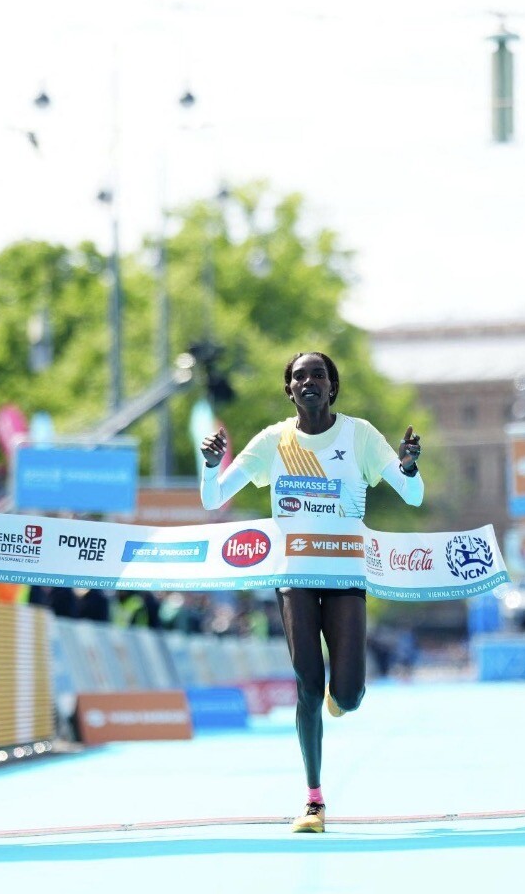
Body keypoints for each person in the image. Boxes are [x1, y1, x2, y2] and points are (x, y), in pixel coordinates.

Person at [199, 351, 423, 833]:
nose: (309, 382)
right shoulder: (273, 441)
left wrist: (408, 469)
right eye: (299, 377)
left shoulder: (360, 435)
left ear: (332, 387)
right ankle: (314, 800)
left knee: (349, 694)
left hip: (346, 576)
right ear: (290, 390)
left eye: (318, 375)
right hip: (294, 576)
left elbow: (413, 495)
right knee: (306, 683)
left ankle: (342, 697)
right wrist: (211, 467)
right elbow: (213, 498)